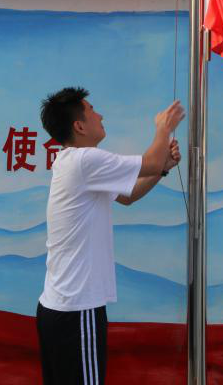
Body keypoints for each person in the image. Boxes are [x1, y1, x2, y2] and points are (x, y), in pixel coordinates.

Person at [36, 87, 183, 385]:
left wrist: (162, 170)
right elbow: (151, 161)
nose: (100, 116)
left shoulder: (74, 163)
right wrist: (163, 128)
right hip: (78, 310)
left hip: (60, 309)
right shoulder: (84, 160)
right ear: (79, 126)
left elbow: (129, 196)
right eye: (92, 111)